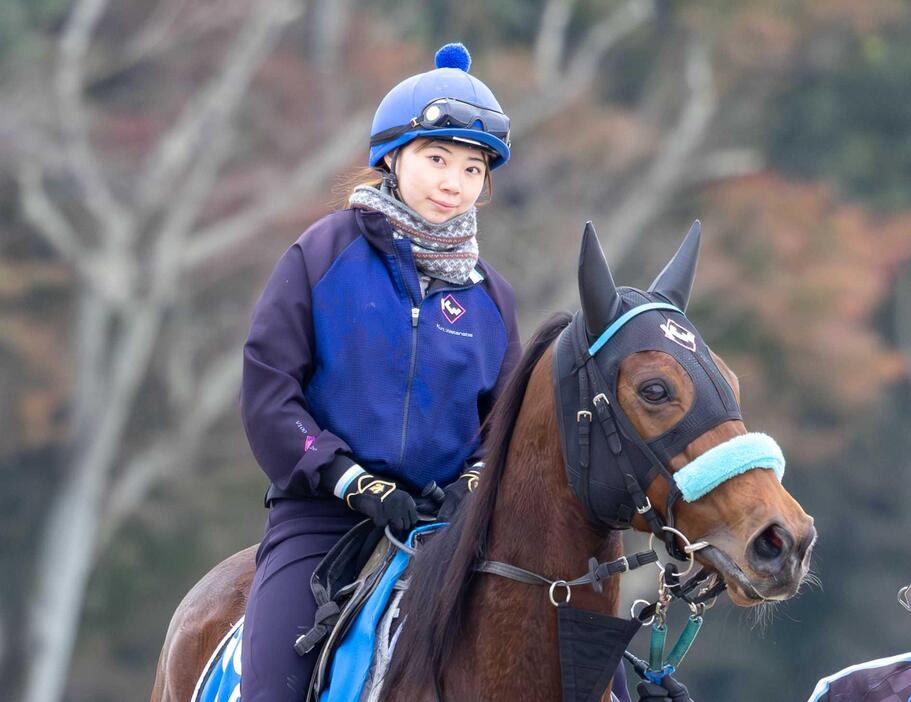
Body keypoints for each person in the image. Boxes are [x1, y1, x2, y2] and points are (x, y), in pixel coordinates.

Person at [238, 43, 522, 700]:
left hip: (450, 530)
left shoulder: (491, 295)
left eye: (473, 168)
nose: (454, 182)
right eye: (436, 158)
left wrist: (472, 485)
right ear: (392, 157)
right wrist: (348, 479)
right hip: (324, 518)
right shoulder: (321, 253)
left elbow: (503, 425)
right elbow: (268, 390)